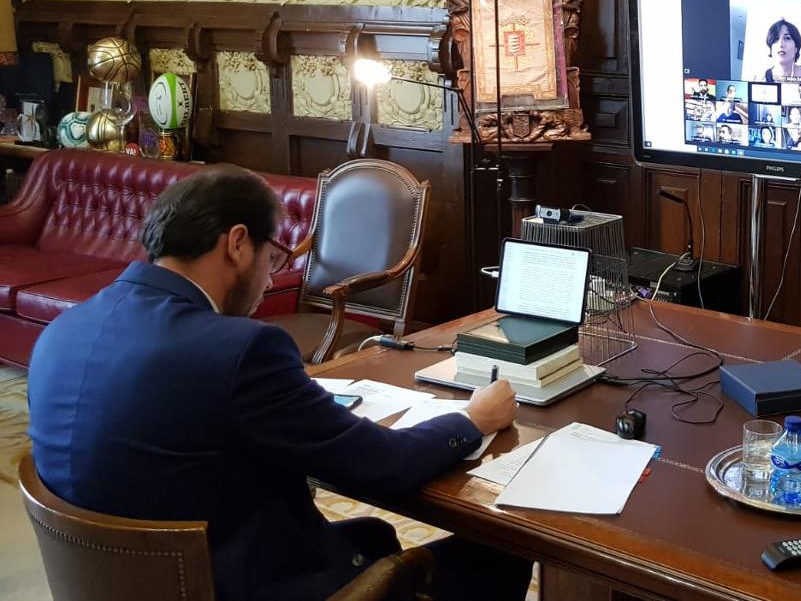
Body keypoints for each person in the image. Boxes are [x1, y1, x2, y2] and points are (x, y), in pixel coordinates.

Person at [26, 167, 532, 601]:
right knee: (502, 547)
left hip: (135, 582)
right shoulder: (238, 350)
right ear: (238, 243)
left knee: (376, 534)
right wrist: (472, 419)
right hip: (240, 585)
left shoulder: (62, 330)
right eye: (274, 259)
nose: (270, 279)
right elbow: (387, 467)